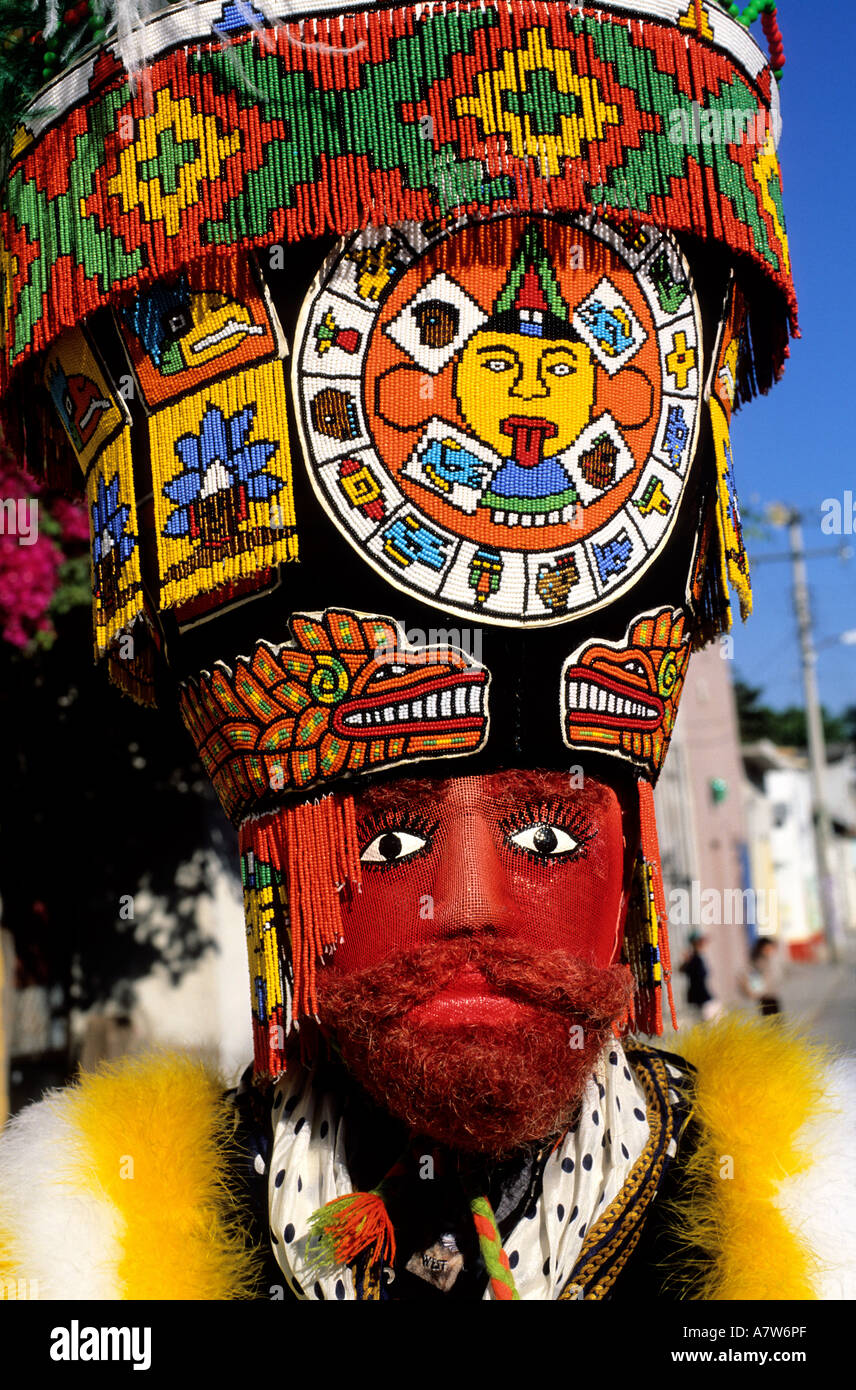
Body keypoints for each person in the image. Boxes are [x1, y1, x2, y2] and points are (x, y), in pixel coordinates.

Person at [0, 0, 853, 1302]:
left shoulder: (814, 1223)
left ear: (635, 849)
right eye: (388, 836)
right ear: (276, 867)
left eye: (551, 834)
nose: (465, 897)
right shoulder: (89, 1259)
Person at [742, 937, 784, 1018]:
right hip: (764, 995)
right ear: (762, 947)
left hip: (772, 993)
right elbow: (754, 978)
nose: (770, 949)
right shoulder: (758, 961)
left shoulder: (769, 958)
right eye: (768, 947)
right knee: (770, 1018)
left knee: (776, 1018)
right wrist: (759, 992)